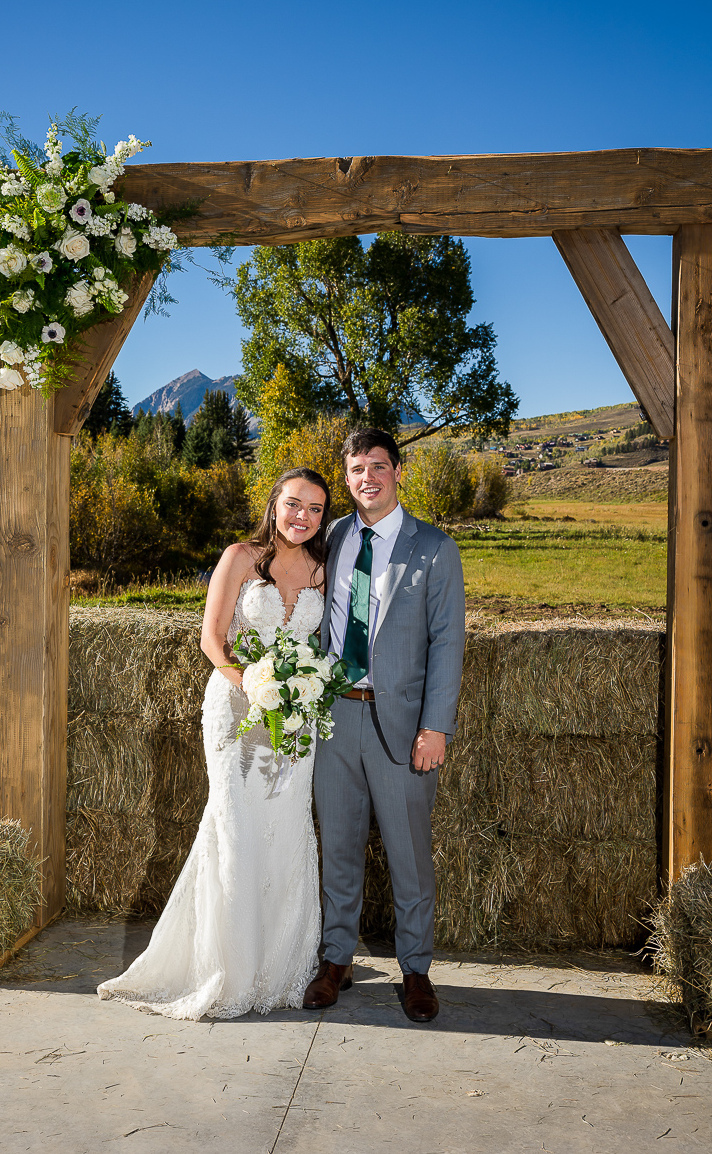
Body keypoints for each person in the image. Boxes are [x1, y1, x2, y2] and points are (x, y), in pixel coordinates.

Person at [97, 468, 332, 1020]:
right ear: (274, 504)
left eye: (316, 509)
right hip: (234, 708)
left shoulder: (324, 569)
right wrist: (253, 685)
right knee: (234, 824)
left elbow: (323, 643)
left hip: (294, 718)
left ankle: (276, 968)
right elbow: (212, 638)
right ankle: (223, 966)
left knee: (285, 827)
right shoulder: (240, 557)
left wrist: (301, 692)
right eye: (294, 504)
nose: (304, 517)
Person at [302, 427, 465, 1023]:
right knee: (338, 844)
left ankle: (416, 968)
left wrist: (436, 726)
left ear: (397, 471)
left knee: (409, 854)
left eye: (377, 465)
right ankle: (335, 959)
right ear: (345, 478)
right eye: (355, 469)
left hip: (402, 725)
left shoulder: (434, 548)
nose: (365, 477)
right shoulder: (335, 537)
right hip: (336, 716)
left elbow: (448, 641)